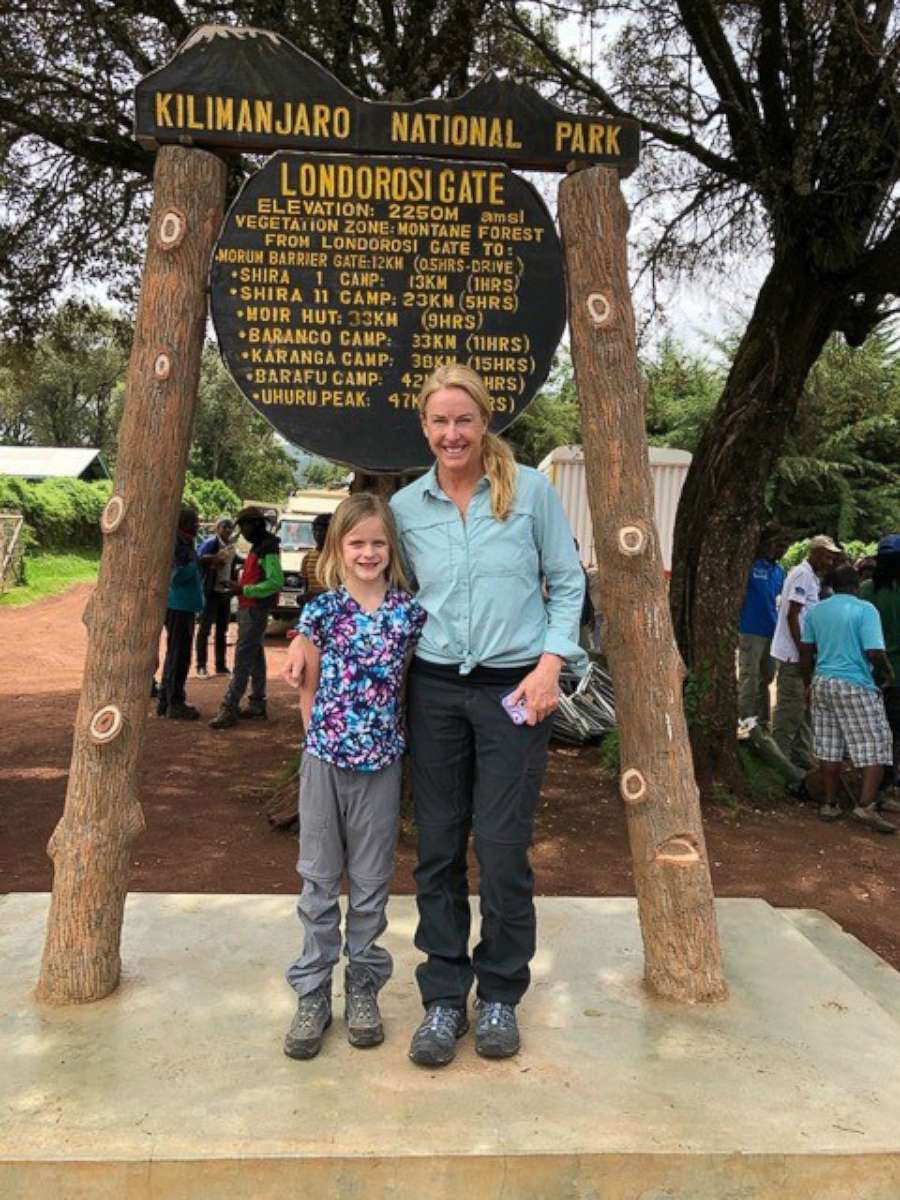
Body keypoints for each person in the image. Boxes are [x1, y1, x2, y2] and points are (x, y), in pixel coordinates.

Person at [392, 362, 585, 1067]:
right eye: (439, 422)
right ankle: (445, 997)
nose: (452, 434)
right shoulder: (409, 508)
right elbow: (383, 589)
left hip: (515, 694)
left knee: (502, 848)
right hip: (436, 691)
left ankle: (500, 991)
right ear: (424, 426)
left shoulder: (530, 492)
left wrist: (549, 665)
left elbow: (567, 586)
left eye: (464, 420)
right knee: (439, 846)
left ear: (485, 422)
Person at [282, 494, 426, 1060]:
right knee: (318, 884)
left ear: (391, 549)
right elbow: (306, 689)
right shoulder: (319, 615)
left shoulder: (409, 615)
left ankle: (363, 987)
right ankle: (313, 992)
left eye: (377, 542)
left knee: (370, 888)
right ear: (337, 550)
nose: (367, 552)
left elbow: (416, 686)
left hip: (382, 766)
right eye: (356, 542)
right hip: (323, 762)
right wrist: (320, 744)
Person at [799, 564, 895, 832]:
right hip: (854, 683)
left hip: (822, 682)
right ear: (859, 583)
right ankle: (865, 806)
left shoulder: (817, 610)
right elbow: (874, 651)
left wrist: (808, 683)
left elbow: (806, 651)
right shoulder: (865, 610)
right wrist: (888, 675)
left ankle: (829, 803)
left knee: (830, 746)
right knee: (876, 742)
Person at [770, 534, 840, 769]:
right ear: (816, 553)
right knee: (789, 711)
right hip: (794, 653)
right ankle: (779, 764)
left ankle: (800, 761)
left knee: (804, 709)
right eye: (827, 556)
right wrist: (802, 652)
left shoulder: (812, 577)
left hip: (804, 654)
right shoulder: (801, 574)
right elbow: (793, 615)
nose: (830, 562)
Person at [209, 506, 284, 729]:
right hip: (249, 607)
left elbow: (275, 582)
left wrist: (243, 590)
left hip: (255, 608)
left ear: (255, 525)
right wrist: (239, 587)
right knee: (255, 654)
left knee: (243, 658)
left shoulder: (268, 548)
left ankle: (229, 707)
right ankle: (257, 703)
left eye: (244, 526)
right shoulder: (259, 546)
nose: (242, 531)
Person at [737, 526, 789, 725]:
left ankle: (762, 720)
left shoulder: (779, 571)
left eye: (784, 546)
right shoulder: (751, 566)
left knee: (767, 676)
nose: (780, 550)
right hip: (750, 629)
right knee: (749, 675)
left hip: (771, 630)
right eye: (777, 544)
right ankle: (745, 719)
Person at [861, 533, 900, 795]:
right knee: (894, 734)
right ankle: (886, 787)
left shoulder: (864, 590)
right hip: (896, 675)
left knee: (871, 734)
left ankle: (869, 787)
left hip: (866, 673)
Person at [157, 505, 204, 720]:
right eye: (194, 522)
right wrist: (197, 564)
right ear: (184, 524)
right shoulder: (179, 544)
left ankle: (165, 700)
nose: (197, 526)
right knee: (179, 655)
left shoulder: (182, 542)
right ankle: (174, 702)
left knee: (174, 653)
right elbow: (176, 576)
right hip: (179, 606)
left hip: (181, 605)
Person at [195, 515, 236, 678]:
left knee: (222, 630)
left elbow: (234, 563)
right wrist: (215, 558)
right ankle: (201, 666)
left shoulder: (230, 545)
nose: (227, 529)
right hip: (210, 591)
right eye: (224, 526)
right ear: (217, 528)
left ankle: (220, 666)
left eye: (229, 526)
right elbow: (199, 558)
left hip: (224, 593)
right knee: (205, 629)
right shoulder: (212, 543)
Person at [300, 512, 331, 602]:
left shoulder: (339, 557)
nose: (317, 534)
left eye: (321, 531)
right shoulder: (308, 557)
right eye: (315, 530)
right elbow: (306, 585)